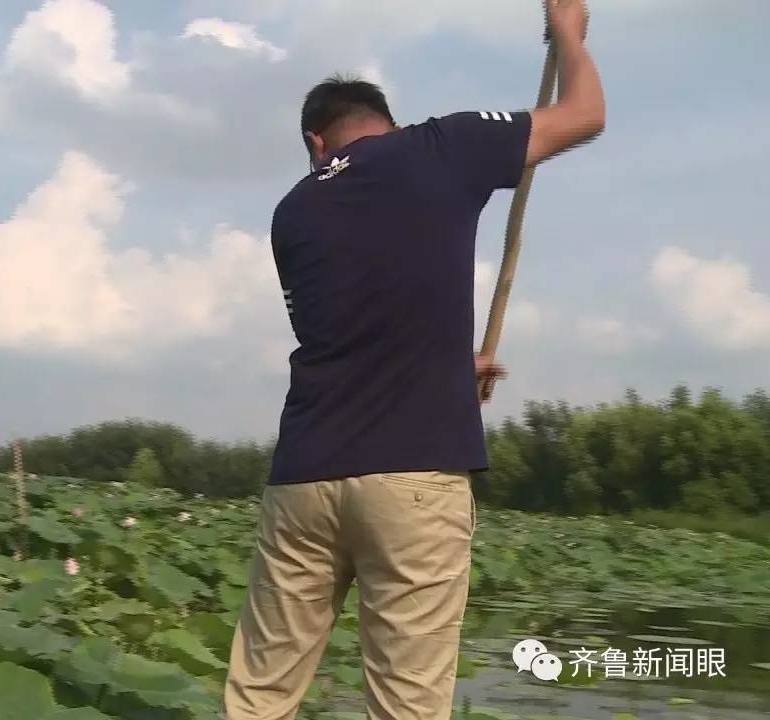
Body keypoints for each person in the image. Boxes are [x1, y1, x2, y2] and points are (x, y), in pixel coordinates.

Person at [223, 1, 605, 718]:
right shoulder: (440, 146)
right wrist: (569, 38)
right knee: (406, 705)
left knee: (259, 697)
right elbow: (584, 113)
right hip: (413, 473)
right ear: (388, 122)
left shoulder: (292, 212)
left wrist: (456, 373)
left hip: (304, 478)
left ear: (316, 140)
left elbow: (355, 336)